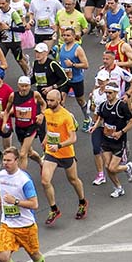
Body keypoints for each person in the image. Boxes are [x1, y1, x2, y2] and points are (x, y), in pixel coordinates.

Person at [0, 146, 48, 262]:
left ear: (17, 161)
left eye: (9, 160)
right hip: (7, 224)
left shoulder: (25, 180)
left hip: (25, 225)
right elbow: (3, 192)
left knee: (34, 255)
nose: (6, 163)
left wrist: (16, 202)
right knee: (3, 257)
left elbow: (35, 204)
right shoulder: (1, 176)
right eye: (4, 160)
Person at [39, 89, 87, 225]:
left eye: (51, 100)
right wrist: (45, 139)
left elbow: (73, 138)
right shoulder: (47, 113)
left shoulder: (66, 116)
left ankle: (82, 201)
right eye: (47, 100)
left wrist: (59, 146)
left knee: (73, 179)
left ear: (59, 100)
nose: (49, 103)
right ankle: (54, 209)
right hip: (51, 152)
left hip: (65, 153)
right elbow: (50, 129)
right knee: (45, 181)